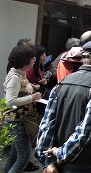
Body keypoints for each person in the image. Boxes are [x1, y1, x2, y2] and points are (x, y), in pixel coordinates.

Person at [35, 40, 91, 173]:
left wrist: (46, 161)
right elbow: (87, 128)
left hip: (59, 163)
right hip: (87, 162)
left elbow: (47, 123)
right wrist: (62, 153)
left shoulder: (63, 82)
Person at [4, 45, 42, 173]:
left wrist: (33, 87)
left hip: (20, 119)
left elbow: (22, 88)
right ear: (24, 60)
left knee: (15, 155)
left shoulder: (20, 73)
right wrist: (32, 97)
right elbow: (10, 102)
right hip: (17, 120)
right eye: (33, 58)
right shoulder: (15, 77)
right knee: (24, 157)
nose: (35, 59)